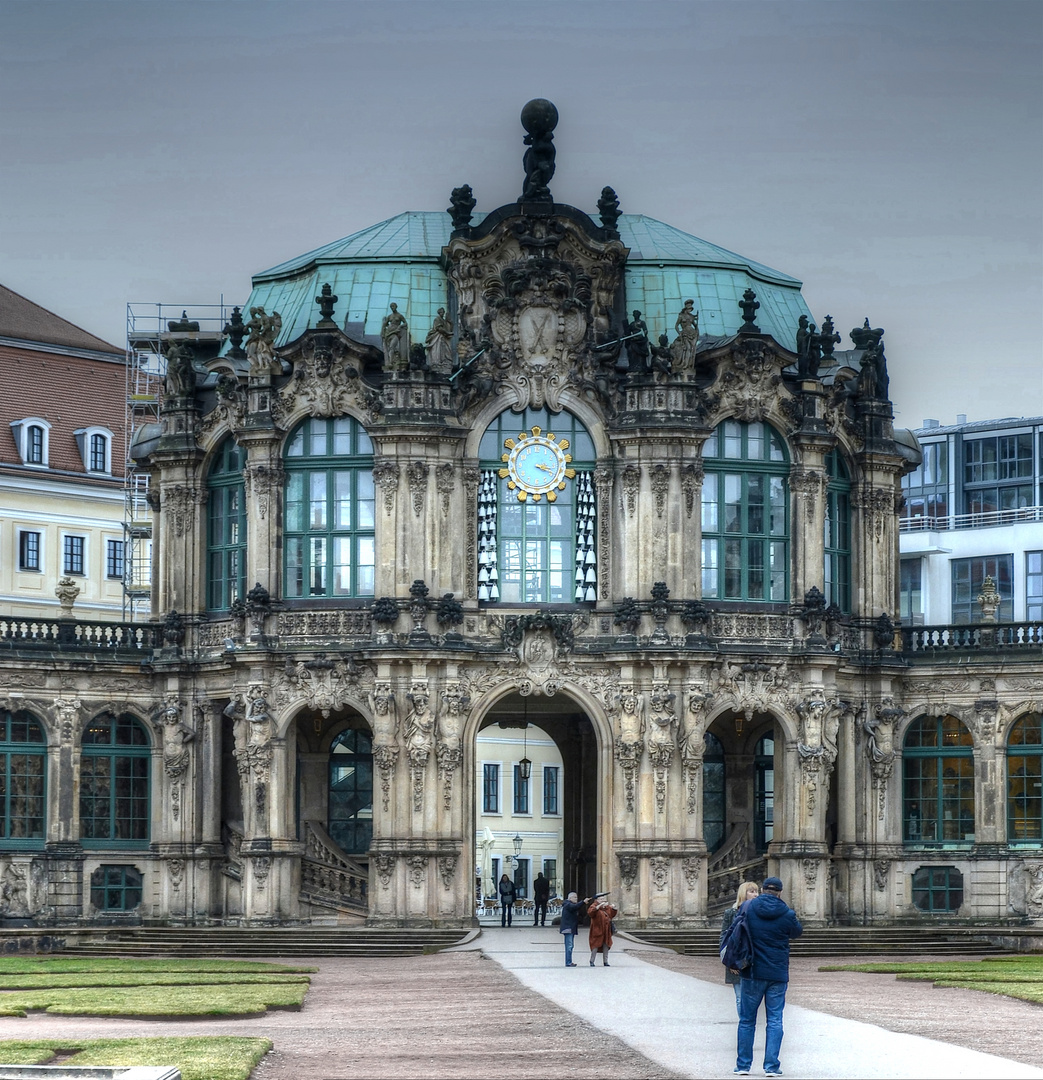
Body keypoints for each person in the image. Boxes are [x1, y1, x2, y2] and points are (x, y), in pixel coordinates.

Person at [735, 876, 803, 1077]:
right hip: (777, 972)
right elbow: (797, 932)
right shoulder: (787, 913)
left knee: (747, 1020)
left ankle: (743, 1066)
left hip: (753, 970)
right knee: (775, 1019)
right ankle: (771, 1066)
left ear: (763, 890)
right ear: (780, 892)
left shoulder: (748, 908)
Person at [721, 881, 760, 1015]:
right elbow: (724, 937)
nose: (755, 895)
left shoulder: (759, 911)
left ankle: (748, 1023)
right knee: (739, 997)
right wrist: (728, 959)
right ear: (743, 894)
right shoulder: (730, 913)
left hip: (753, 959)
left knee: (751, 997)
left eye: (756, 891)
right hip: (735, 958)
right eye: (751, 891)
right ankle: (744, 1023)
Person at [586, 896, 617, 967]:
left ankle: (605, 961)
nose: (602, 900)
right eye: (601, 899)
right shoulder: (593, 906)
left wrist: (614, 908)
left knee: (606, 945)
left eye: (603, 899)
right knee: (595, 945)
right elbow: (591, 913)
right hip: (597, 929)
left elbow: (612, 914)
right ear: (597, 900)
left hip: (606, 930)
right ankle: (592, 961)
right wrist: (599, 906)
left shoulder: (607, 907)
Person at [559, 891, 584, 966]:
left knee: (571, 946)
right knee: (569, 946)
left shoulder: (570, 904)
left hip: (571, 928)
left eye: (577, 897)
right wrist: (583, 902)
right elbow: (574, 907)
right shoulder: (568, 904)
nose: (576, 899)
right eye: (575, 897)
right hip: (568, 928)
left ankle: (569, 961)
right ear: (570, 898)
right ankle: (568, 962)